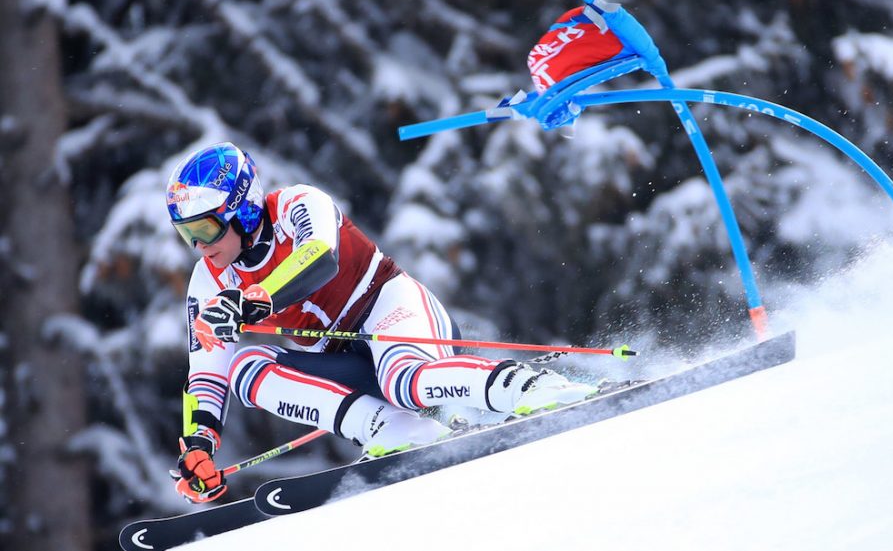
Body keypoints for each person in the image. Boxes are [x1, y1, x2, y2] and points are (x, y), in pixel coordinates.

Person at [166, 141, 596, 503]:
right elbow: (206, 367)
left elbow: (320, 258)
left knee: (401, 379)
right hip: (344, 361)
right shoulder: (208, 280)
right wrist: (200, 442)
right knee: (245, 369)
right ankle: (394, 431)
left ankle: (531, 387)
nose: (199, 247)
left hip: (389, 311)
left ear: (242, 209)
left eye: (205, 230)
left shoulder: (299, 203)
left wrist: (254, 299)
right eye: (187, 235)